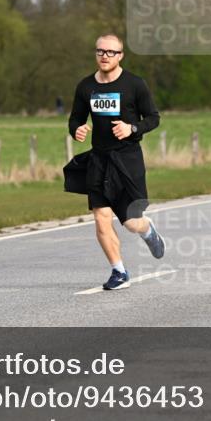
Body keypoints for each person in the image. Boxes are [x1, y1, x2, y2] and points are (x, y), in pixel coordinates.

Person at [67, 34, 165, 291]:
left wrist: (132, 128)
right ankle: (119, 271)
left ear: (120, 55)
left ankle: (148, 230)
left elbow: (153, 118)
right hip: (99, 160)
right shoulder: (86, 87)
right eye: (100, 51)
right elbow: (75, 119)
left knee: (132, 222)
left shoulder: (134, 84)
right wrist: (76, 130)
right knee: (101, 217)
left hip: (128, 159)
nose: (105, 56)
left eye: (111, 52)